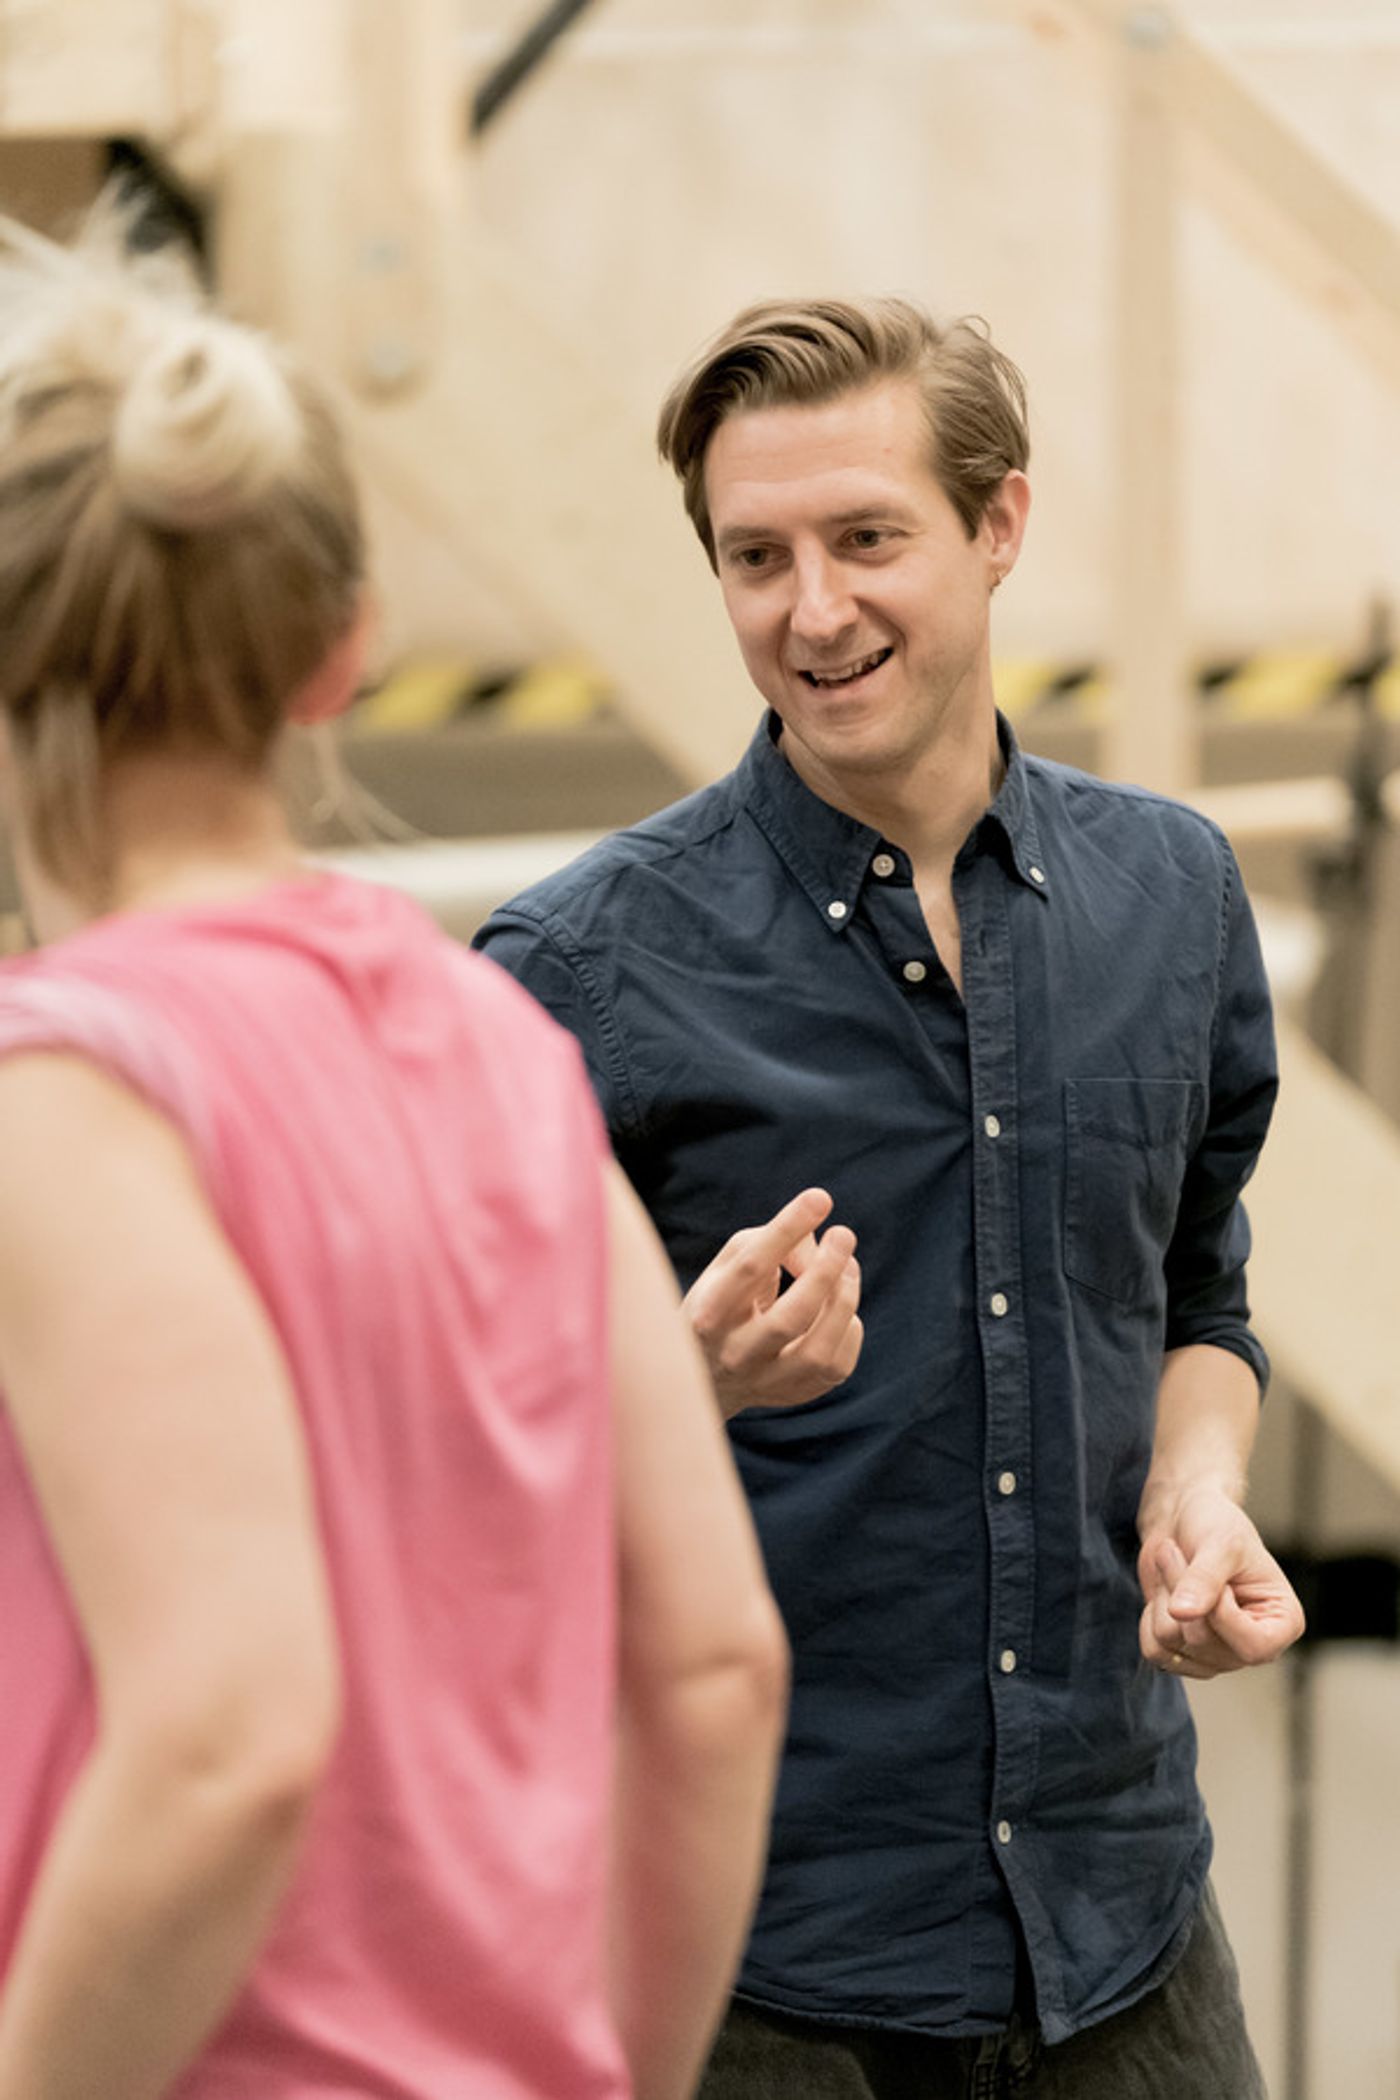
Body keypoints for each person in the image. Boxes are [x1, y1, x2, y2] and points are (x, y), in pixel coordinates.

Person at [475, 296, 1306, 2097]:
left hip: (1127, 1935)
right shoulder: (577, 971)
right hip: (763, 1968)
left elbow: (1192, 1297)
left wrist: (1200, 1484)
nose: (814, 610)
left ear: (1000, 524)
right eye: (755, 557)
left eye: (867, 539)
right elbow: (454, 1477)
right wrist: (679, 1390)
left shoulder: (1171, 895)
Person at [0, 204, 789, 2100]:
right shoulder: (498, 1041)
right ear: (346, 649)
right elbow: (714, 1672)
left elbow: (229, 1740)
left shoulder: (69, 1090)